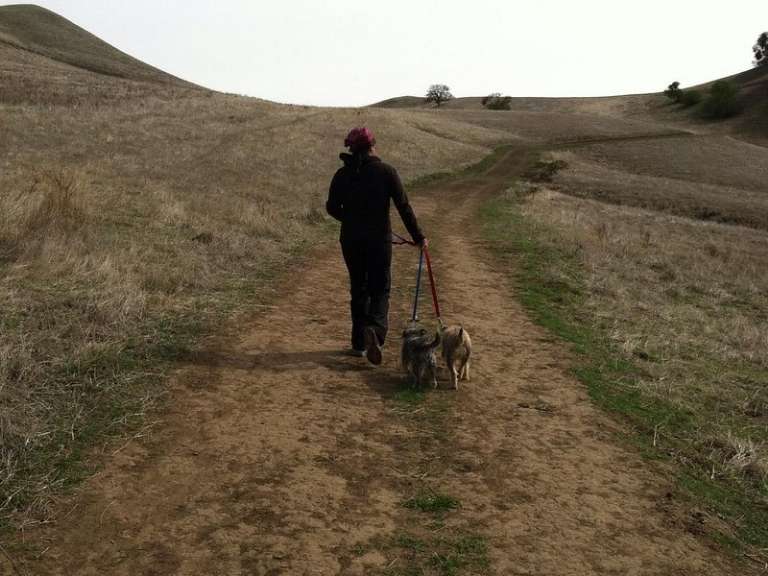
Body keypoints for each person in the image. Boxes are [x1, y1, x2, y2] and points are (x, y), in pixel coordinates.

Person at [326, 127, 427, 365]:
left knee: (358, 289)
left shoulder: (341, 175)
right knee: (380, 288)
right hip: (378, 240)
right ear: (373, 147)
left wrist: (349, 220)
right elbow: (403, 206)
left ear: (351, 148)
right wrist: (418, 237)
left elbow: (331, 207)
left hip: (350, 239)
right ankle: (376, 332)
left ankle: (359, 344)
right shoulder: (386, 172)